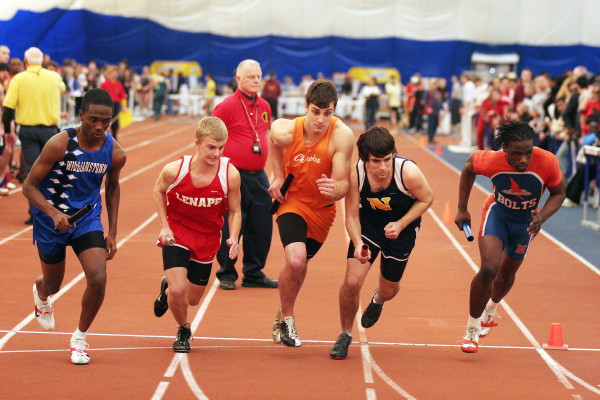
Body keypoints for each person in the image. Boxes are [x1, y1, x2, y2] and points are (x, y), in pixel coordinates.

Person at [22, 88, 127, 364]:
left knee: (98, 277)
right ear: (80, 116)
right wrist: (53, 213)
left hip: (86, 219)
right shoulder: (60, 144)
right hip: (50, 222)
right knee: (53, 283)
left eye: (105, 121)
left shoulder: (115, 152)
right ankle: (42, 293)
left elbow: (113, 187)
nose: (99, 127)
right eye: (93, 119)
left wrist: (112, 232)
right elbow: (29, 186)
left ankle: (79, 338)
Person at [454, 120, 565, 354]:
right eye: (517, 154)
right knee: (489, 269)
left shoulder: (547, 161)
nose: (523, 160)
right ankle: (472, 329)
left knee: (506, 275)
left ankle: (491, 309)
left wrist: (542, 216)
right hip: (498, 215)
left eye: (528, 153)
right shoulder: (491, 160)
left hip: (526, 224)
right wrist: (462, 208)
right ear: (504, 148)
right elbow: (468, 167)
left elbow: (559, 192)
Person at [329, 127, 433, 359]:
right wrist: (357, 243)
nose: (383, 167)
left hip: (401, 231)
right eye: (376, 161)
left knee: (389, 289)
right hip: (369, 228)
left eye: (387, 159)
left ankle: (378, 300)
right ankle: (345, 334)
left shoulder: (408, 172)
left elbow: (427, 198)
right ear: (365, 159)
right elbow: (351, 216)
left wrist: (401, 224)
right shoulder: (355, 174)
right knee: (352, 281)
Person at [268, 79, 355, 347]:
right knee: (295, 261)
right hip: (292, 201)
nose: (320, 120)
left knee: (301, 263)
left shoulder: (342, 136)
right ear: (306, 107)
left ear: (334, 111)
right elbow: (273, 138)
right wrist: (278, 174)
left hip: (322, 211)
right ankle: (289, 319)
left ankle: (281, 312)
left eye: (327, 113)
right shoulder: (287, 130)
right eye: (316, 112)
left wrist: (335, 190)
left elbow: (343, 184)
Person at [152, 116, 241, 353]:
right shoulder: (174, 170)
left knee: (191, 299)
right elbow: (158, 190)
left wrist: (234, 237)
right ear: (197, 144)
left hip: (208, 238)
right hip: (178, 232)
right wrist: (164, 225)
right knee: (179, 291)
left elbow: (235, 211)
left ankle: (166, 289)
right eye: (211, 147)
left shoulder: (230, 174)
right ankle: (184, 329)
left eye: (221, 147)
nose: (216, 153)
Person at [211, 59, 278, 290]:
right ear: (238, 79)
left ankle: (253, 273)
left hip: (258, 174)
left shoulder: (265, 106)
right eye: (251, 77)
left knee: (261, 223)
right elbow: (212, 138)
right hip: (233, 174)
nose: (256, 80)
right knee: (230, 223)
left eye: (258, 76)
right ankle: (227, 272)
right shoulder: (225, 106)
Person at [2, 47, 66, 224]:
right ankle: (55, 210)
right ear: (42, 61)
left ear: (25, 61)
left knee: (32, 172)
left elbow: (8, 110)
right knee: (53, 170)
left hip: (28, 131)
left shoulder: (19, 79)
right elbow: (63, 89)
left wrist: (7, 131)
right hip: (50, 131)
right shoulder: (53, 77)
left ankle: (35, 213)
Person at [100, 65, 127, 140]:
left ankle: (114, 137)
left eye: (116, 72)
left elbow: (123, 96)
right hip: (107, 105)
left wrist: (124, 106)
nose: (115, 74)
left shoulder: (119, 84)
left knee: (115, 122)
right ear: (109, 73)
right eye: (113, 72)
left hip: (116, 104)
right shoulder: (104, 84)